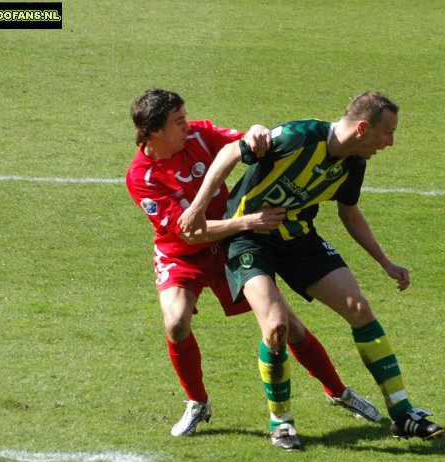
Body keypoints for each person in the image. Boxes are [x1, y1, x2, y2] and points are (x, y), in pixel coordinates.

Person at [178, 91, 445, 449]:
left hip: (300, 240)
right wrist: (197, 209)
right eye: (387, 133)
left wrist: (385, 261)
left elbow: (349, 213)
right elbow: (229, 152)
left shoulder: (354, 164)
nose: (390, 142)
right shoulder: (298, 137)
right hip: (249, 239)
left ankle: (402, 413)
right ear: (363, 127)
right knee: (275, 327)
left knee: (359, 309)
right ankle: (282, 423)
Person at [125, 88, 381, 441]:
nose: (188, 124)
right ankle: (197, 401)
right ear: (155, 131)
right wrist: (249, 222)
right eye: (178, 121)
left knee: (286, 326)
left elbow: (245, 141)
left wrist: (259, 130)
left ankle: (338, 391)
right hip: (184, 251)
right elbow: (189, 234)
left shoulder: (198, 135)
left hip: (229, 244)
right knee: (175, 323)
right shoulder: (142, 178)